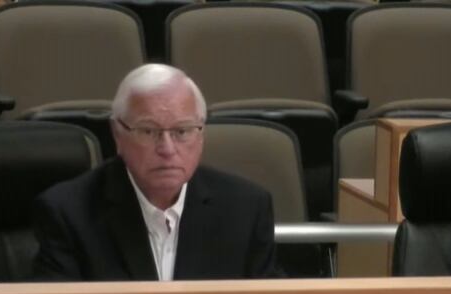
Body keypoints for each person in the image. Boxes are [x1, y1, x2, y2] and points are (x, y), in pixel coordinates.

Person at [32, 64, 277, 281]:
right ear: (117, 133)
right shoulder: (69, 212)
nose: (167, 149)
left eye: (182, 131)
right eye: (148, 131)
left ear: (201, 134)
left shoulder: (245, 210)